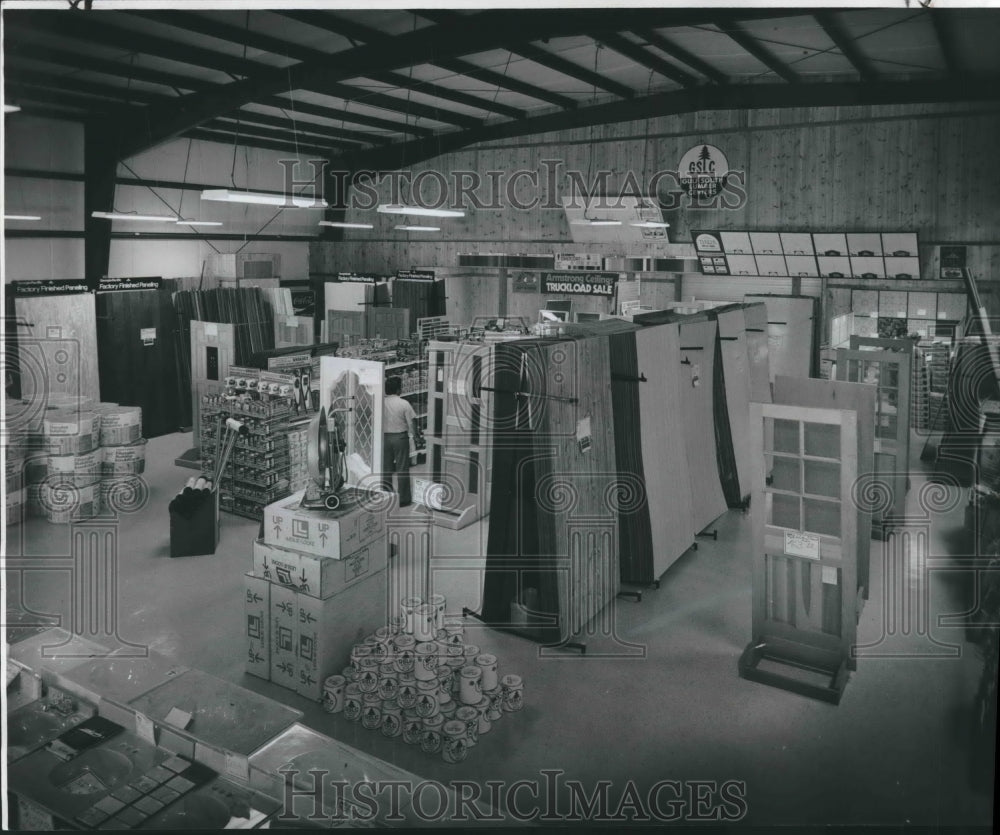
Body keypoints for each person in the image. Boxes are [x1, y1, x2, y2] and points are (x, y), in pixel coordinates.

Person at [382, 375, 423, 506]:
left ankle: (386, 495)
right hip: (400, 438)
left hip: (384, 438)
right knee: (402, 468)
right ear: (398, 390)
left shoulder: (380, 403)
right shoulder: (404, 403)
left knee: (386, 468)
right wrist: (416, 436)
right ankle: (404, 499)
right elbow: (412, 422)